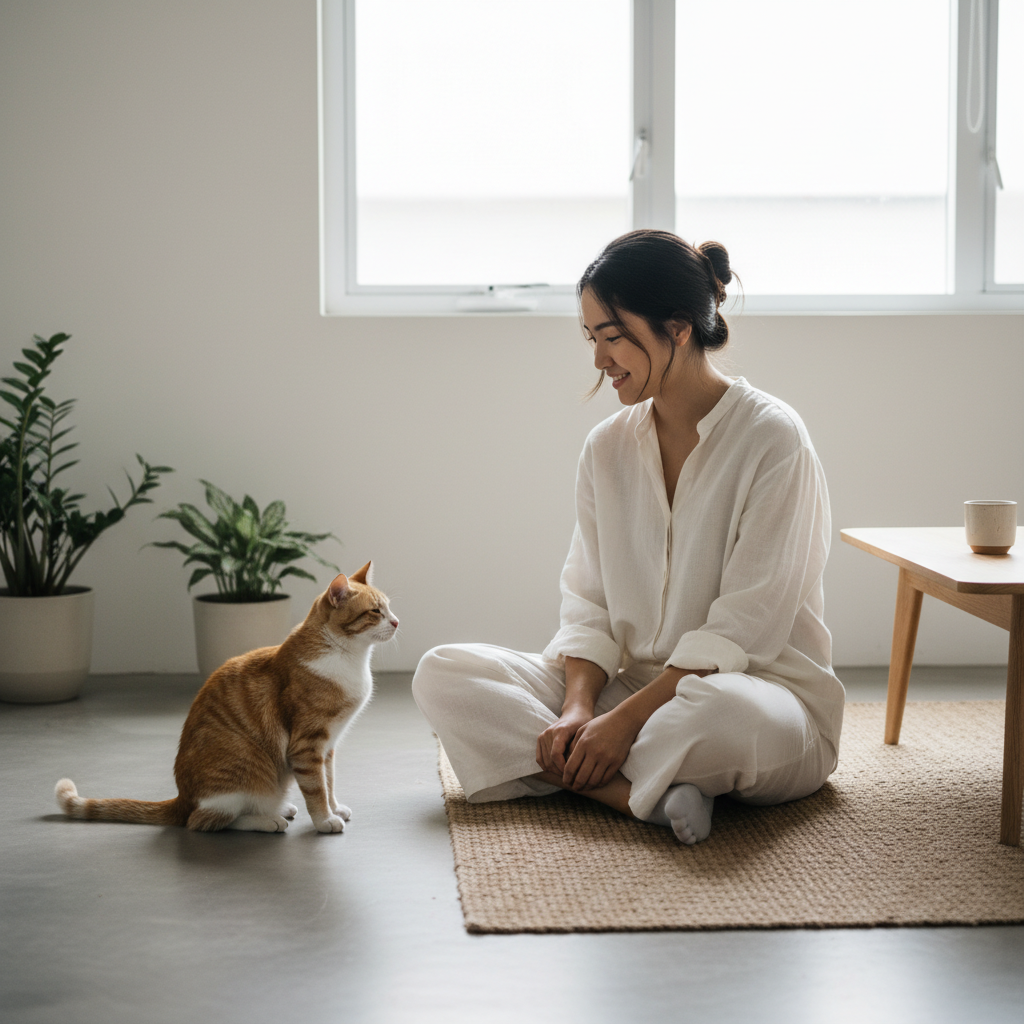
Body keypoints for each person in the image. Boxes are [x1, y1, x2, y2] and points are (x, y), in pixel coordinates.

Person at [412, 229, 844, 845]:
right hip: (631, 688)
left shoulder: (773, 439)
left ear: (678, 327)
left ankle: (580, 770)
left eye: (612, 337)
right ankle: (639, 797)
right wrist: (581, 710)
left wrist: (623, 723)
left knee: (717, 714)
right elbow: (589, 603)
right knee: (443, 673)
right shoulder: (607, 448)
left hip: (757, 697)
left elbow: (747, 626)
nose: (598, 359)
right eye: (592, 338)